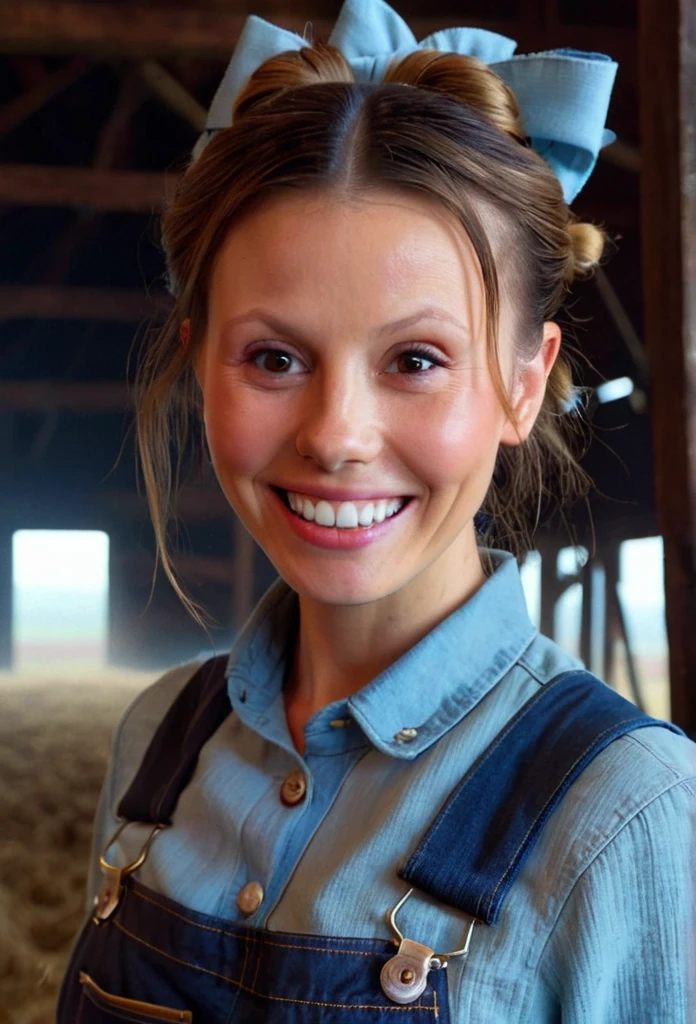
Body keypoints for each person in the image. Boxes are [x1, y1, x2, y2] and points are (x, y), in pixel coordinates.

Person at [57, 1, 696, 1021]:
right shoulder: (158, 742)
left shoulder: (632, 812)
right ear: (198, 358)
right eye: (274, 356)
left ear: (525, 383)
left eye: (415, 360)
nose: (336, 434)